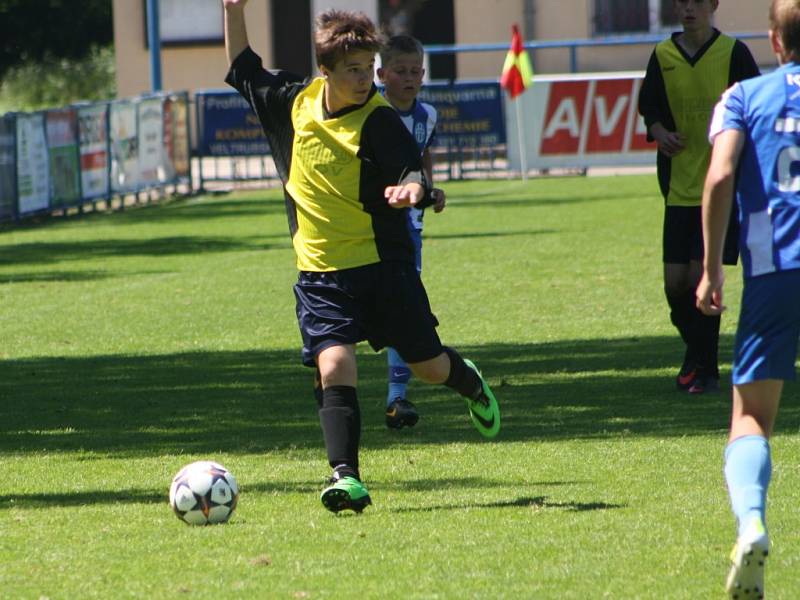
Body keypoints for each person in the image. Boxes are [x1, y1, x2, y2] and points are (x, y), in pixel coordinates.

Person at [222, 0, 500, 514]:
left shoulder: (380, 121)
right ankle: (346, 477)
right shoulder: (293, 101)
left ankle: (470, 383)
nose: (364, 79)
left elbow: (410, 171)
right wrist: (233, 10)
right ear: (324, 70)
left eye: (368, 68)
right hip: (321, 270)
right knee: (333, 362)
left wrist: (412, 191)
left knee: (429, 367)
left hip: (383, 267)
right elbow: (242, 66)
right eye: (352, 70)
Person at [697, 1, 800, 595]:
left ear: (775, 42)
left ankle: (753, 522)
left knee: (752, 417)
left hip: (775, 269)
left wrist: (712, 269)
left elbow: (718, 176)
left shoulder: (743, 96)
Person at [638, 0, 759, 395]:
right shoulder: (663, 55)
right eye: (682, 2)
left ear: (713, 6)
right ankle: (699, 355)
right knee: (675, 285)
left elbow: (754, 110)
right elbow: (649, 108)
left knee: (701, 280)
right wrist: (659, 132)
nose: (688, 10)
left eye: (697, 3)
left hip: (721, 189)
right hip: (678, 188)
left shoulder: (734, 54)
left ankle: (704, 370)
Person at [376, 34, 446, 430]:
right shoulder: (370, 112)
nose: (409, 78)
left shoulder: (428, 116)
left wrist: (430, 191)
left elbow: (422, 155)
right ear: (382, 74)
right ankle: (329, 375)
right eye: (400, 71)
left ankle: (396, 398)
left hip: (409, 230)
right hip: (369, 225)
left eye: (415, 71)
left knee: (402, 310)